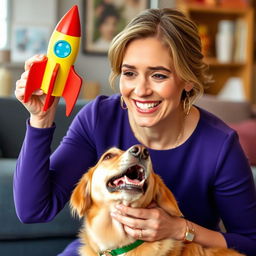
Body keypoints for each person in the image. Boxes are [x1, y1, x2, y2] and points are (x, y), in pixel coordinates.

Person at [14, 8, 256, 256]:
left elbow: (251, 242)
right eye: (129, 73)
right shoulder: (99, 118)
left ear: (189, 80)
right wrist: (40, 118)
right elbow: (33, 210)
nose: (140, 90)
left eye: (158, 75)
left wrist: (180, 228)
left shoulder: (220, 145)